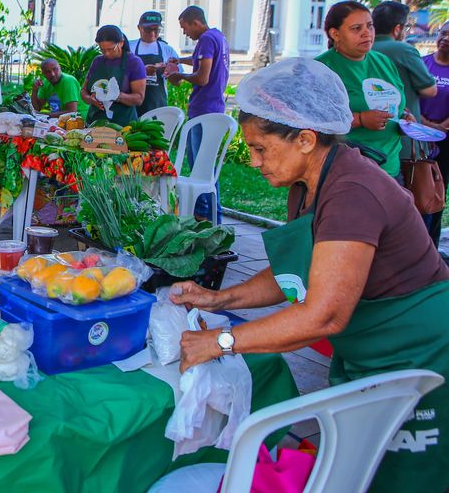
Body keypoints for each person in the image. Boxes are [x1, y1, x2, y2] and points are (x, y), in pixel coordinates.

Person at [174, 58, 449, 492]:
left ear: (305, 138)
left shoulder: (352, 193)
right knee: (361, 471)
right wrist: (219, 300)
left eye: (261, 148)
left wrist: (220, 342)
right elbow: (298, 271)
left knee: (406, 479)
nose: (253, 160)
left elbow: (323, 315)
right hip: (369, 353)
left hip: (417, 352)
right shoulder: (308, 182)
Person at [316, 1, 407, 179]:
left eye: (370, 26)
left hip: (390, 169)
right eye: (356, 28)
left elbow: (397, 102)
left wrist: (404, 119)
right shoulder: (320, 69)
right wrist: (360, 119)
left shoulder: (383, 62)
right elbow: (312, 120)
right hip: (344, 172)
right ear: (335, 34)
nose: (367, 33)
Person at [167, 5, 230, 222]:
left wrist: (179, 76)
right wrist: (181, 61)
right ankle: (213, 218)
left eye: (185, 28)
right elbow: (205, 62)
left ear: (196, 22)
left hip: (203, 111)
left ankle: (205, 218)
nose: (185, 33)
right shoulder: (218, 37)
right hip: (214, 108)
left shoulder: (205, 39)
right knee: (207, 170)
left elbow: (202, 77)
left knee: (200, 171)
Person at [372, 0, 437, 140]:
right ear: (397, 29)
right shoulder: (404, 50)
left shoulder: (359, 49)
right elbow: (430, 90)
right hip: (401, 132)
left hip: (365, 135)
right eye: (406, 27)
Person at [80, 24, 146, 126]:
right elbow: (83, 91)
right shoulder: (97, 61)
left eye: (110, 49)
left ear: (121, 43)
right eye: (102, 50)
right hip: (94, 123)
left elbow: (139, 99)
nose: (106, 54)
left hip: (123, 125)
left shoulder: (134, 62)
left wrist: (117, 96)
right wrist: (90, 99)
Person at [420, 22, 449, 242]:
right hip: (419, 136)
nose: (446, 38)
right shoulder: (423, 64)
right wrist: (426, 125)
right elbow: (410, 97)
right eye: (443, 33)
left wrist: (441, 128)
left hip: (446, 140)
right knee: (418, 188)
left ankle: (432, 243)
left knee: (438, 190)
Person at [126, 10, 181, 114]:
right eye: (147, 29)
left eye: (156, 30)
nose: (152, 33)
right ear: (139, 28)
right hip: (132, 107)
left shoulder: (167, 50)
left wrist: (169, 72)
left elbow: (177, 82)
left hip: (158, 107)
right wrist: (142, 71)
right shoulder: (129, 48)